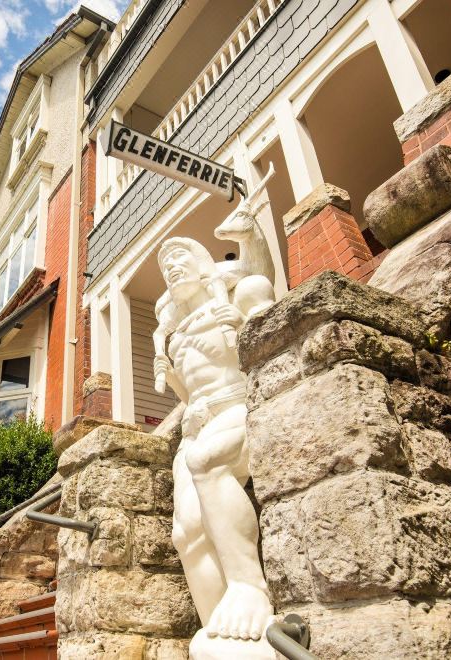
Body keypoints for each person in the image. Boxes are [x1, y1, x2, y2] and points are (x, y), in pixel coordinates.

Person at [153, 236, 275, 650]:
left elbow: (274, 340)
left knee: (207, 462)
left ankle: (249, 588)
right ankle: (222, 634)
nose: (170, 266)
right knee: (185, 534)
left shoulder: (235, 297)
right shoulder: (173, 333)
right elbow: (189, 396)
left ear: (204, 263)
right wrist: (170, 376)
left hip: (238, 406)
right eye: (163, 263)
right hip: (196, 424)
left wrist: (242, 324)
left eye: (179, 256)